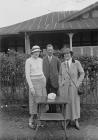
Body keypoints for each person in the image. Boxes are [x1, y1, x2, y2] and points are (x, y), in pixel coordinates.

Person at [59, 48, 85, 130]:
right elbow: (60, 74)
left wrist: (77, 83)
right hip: (64, 88)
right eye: (65, 54)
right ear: (63, 56)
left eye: (68, 53)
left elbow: (82, 73)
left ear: (71, 54)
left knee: (74, 103)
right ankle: (67, 120)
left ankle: (76, 120)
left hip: (74, 88)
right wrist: (60, 83)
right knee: (66, 104)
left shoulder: (76, 63)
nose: (66, 55)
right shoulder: (62, 64)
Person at [25, 45, 47, 129]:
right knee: (34, 102)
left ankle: (39, 121)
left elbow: (42, 72)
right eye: (35, 52)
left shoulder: (41, 60)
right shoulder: (28, 61)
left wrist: (44, 80)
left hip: (42, 83)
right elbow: (27, 75)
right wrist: (31, 87)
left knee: (42, 102)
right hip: (34, 84)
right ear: (32, 52)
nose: (37, 53)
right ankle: (30, 120)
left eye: (38, 52)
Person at [43, 44, 61, 112]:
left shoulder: (57, 59)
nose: (50, 51)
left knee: (53, 97)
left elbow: (60, 71)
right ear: (46, 51)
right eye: (48, 50)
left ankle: (54, 111)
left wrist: (59, 80)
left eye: (51, 50)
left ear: (53, 50)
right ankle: (49, 110)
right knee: (48, 97)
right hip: (46, 81)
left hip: (54, 81)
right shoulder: (43, 60)